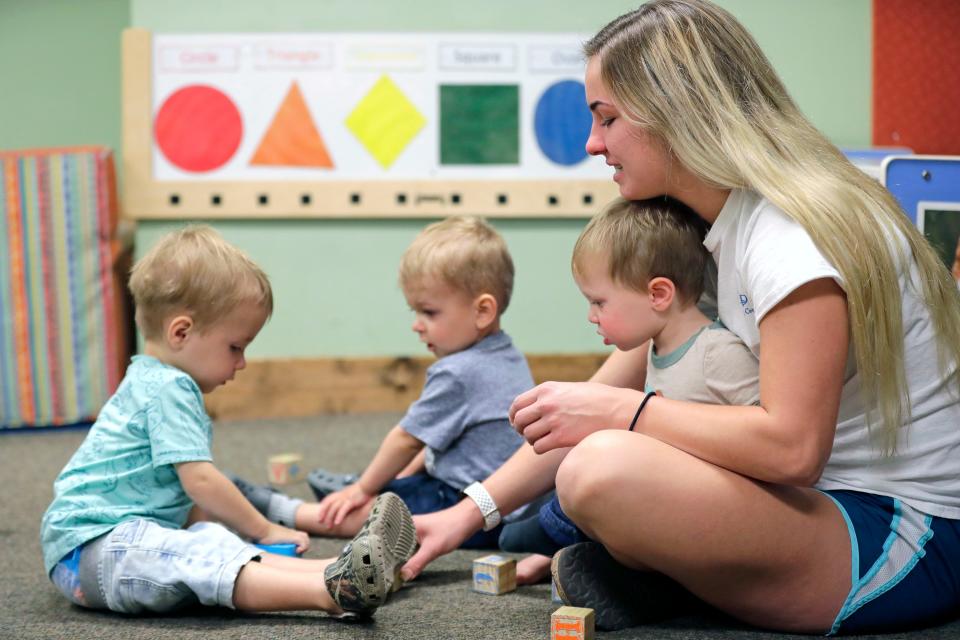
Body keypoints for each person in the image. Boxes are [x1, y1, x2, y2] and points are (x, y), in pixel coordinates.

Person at [401, 0, 960, 635]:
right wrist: (468, 514)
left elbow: (793, 448)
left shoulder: (790, 233)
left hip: (903, 537)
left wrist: (621, 416)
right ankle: (667, 583)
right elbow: (592, 397)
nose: (592, 143)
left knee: (601, 468)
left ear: (678, 109)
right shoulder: (716, 225)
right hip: (814, 507)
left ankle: (669, 584)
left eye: (607, 118)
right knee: (600, 458)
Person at [40, 225, 415, 618]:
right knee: (198, 554)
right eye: (235, 347)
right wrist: (264, 530)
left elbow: (182, 498)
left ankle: (339, 571)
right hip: (94, 550)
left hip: (102, 548)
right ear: (181, 332)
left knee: (209, 539)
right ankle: (328, 591)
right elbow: (200, 481)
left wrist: (218, 536)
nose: (241, 363)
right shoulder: (169, 387)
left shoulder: (151, 379)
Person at [230, 215, 536, 549]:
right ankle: (369, 484)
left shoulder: (458, 372)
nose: (416, 326)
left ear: (482, 311)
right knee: (393, 485)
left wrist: (364, 489)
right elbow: (440, 440)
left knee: (382, 512)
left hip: (465, 503)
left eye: (429, 313)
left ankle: (292, 511)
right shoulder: (507, 353)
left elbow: (406, 440)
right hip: (505, 500)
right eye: (414, 312)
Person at [498, 196, 759, 563]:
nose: (592, 316)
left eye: (599, 302)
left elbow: (763, 436)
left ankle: (556, 529)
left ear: (658, 294)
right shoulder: (657, 350)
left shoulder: (717, 353)